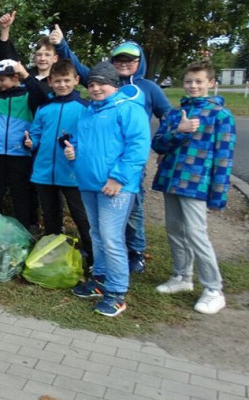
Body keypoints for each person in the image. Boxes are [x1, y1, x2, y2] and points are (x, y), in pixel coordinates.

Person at [51, 26, 172, 273]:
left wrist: (165, 143)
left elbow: (166, 116)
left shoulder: (147, 88)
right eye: (119, 59)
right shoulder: (97, 93)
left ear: (140, 61)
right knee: (103, 227)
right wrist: (62, 44)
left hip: (126, 164)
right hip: (98, 168)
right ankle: (104, 265)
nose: (124, 63)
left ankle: (135, 251)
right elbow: (79, 68)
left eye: (130, 59)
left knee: (132, 210)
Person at [66, 62, 150, 317]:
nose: (95, 88)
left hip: (116, 186)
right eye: (91, 84)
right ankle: (100, 280)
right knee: (97, 234)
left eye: (101, 83)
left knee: (112, 238)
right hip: (88, 183)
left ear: (114, 85)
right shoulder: (88, 112)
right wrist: (73, 152)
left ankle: (117, 293)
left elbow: (138, 147)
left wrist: (118, 178)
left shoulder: (128, 109)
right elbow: (78, 141)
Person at [151, 60, 235, 315]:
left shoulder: (221, 116)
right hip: (172, 180)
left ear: (211, 83)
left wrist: (218, 195)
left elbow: (224, 159)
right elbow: (158, 144)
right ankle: (182, 276)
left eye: (199, 81)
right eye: (189, 81)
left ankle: (213, 289)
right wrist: (180, 131)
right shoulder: (176, 113)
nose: (193, 86)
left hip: (197, 184)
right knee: (175, 230)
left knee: (196, 234)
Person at [23, 59, 93, 273]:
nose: (62, 85)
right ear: (50, 82)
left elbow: (90, 138)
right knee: (50, 216)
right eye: (58, 81)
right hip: (44, 172)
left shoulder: (85, 108)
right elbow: (36, 133)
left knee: (82, 217)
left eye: (66, 80)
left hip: (72, 173)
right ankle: (52, 256)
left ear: (76, 80)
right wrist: (31, 142)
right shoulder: (44, 108)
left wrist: (76, 149)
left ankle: (93, 259)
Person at [0, 59, 48, 228]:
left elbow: (42, 97)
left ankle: (24, 230)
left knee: (20, 194)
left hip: (19, 152)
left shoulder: (28, 94)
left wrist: (26, 75)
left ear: (15, 77)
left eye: (2, 79)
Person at [0, 11, 56, 95]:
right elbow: (7, 59)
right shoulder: (23, 74)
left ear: (55, 58)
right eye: (39, 54)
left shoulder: (58, 81)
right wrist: (5, 29)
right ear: (34, 57)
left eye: (47, 55)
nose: (42, 58)